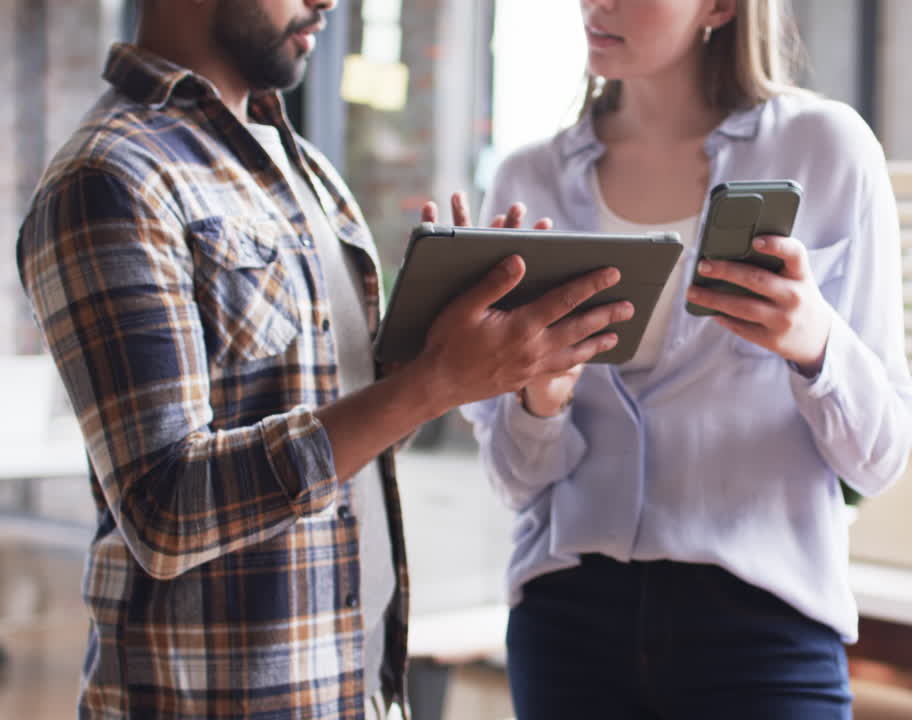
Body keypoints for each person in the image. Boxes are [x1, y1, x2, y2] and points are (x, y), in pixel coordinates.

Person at [15, 0, 632, 717]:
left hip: (356, 690)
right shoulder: (110, 178)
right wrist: (430, 385)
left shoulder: (302, 166)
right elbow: (164, 509)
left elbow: (356, 437)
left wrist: (449, 355)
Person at [456, 1, 912, 717]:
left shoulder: (826, 150)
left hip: (765, 626)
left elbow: (879, 457)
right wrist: (539, 400)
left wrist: (815, 343)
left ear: (720, 6)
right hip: (568, 625)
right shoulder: (528, 180)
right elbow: (516, 481)